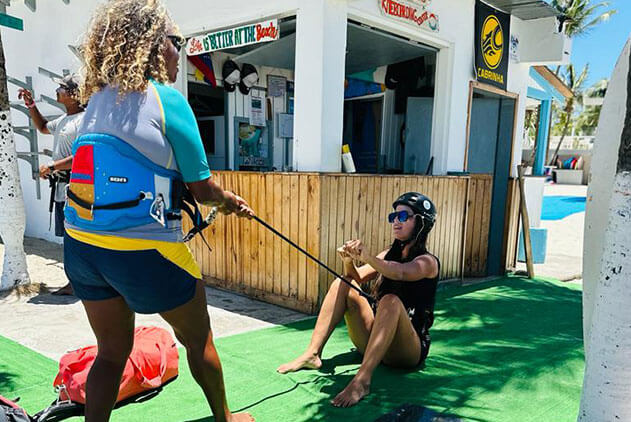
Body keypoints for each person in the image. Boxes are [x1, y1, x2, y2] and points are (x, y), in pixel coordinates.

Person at [63, 1, 254, 421]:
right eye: (176, 42)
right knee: (198, 339)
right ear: (152, 44)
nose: (179, 51)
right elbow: (203, 190)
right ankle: (226, 418)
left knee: (111, 353)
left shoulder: (95, 101)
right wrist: (229, 202)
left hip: (80, 248)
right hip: (144, 251)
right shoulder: (167, 100)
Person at [277, 192, 440, 408]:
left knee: (390, 300)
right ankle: (312, 354)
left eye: (403, 216)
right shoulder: (387, 255)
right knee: (342, 282)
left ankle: (362, 380)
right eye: (394, 217)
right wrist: (348, 262)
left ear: (421, 223)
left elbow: (400, 272)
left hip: (408, 351)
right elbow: (357, 277)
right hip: (377, 341)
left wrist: (367, 257)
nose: (396, 221)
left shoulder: (427, 262)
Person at [18, 74, 84, 295]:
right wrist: (31, 105)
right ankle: (74, 281)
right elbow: (44, 127)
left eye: (62, 89)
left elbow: (82, 157)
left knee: (75, 237)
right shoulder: (64, 120)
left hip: (75, 188)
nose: (58, 91)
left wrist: (53, 166)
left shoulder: (83, 121)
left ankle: (76, 283)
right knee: (68, 237)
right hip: (61, 188)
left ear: (74, 95)